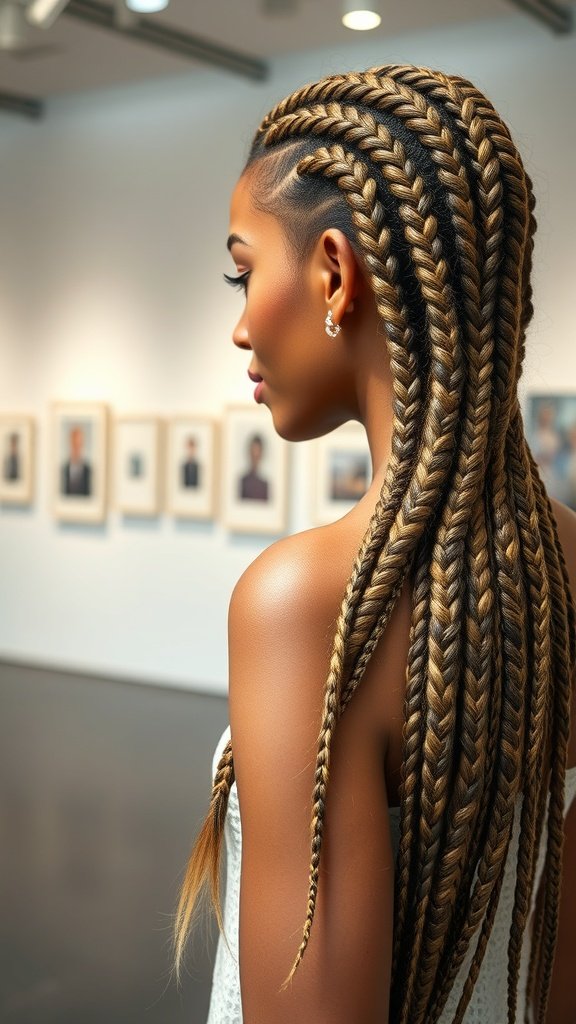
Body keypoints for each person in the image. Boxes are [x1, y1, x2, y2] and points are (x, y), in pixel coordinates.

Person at [174, 64, 576, 1024]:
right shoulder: (570, 567)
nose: (239, 327)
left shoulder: (303, 603)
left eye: (243, 272)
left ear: (334, 273)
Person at [61, 425, 91, 497]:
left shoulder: (88, 470)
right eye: (74, 444)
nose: (77, 448)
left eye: (79, 444)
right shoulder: (63, 469)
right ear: (70, 443)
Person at [238, 433, 269, 501]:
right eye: (253, 453)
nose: (255, 456)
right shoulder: (243, 481)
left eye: (257, 454)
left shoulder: (264, 485)